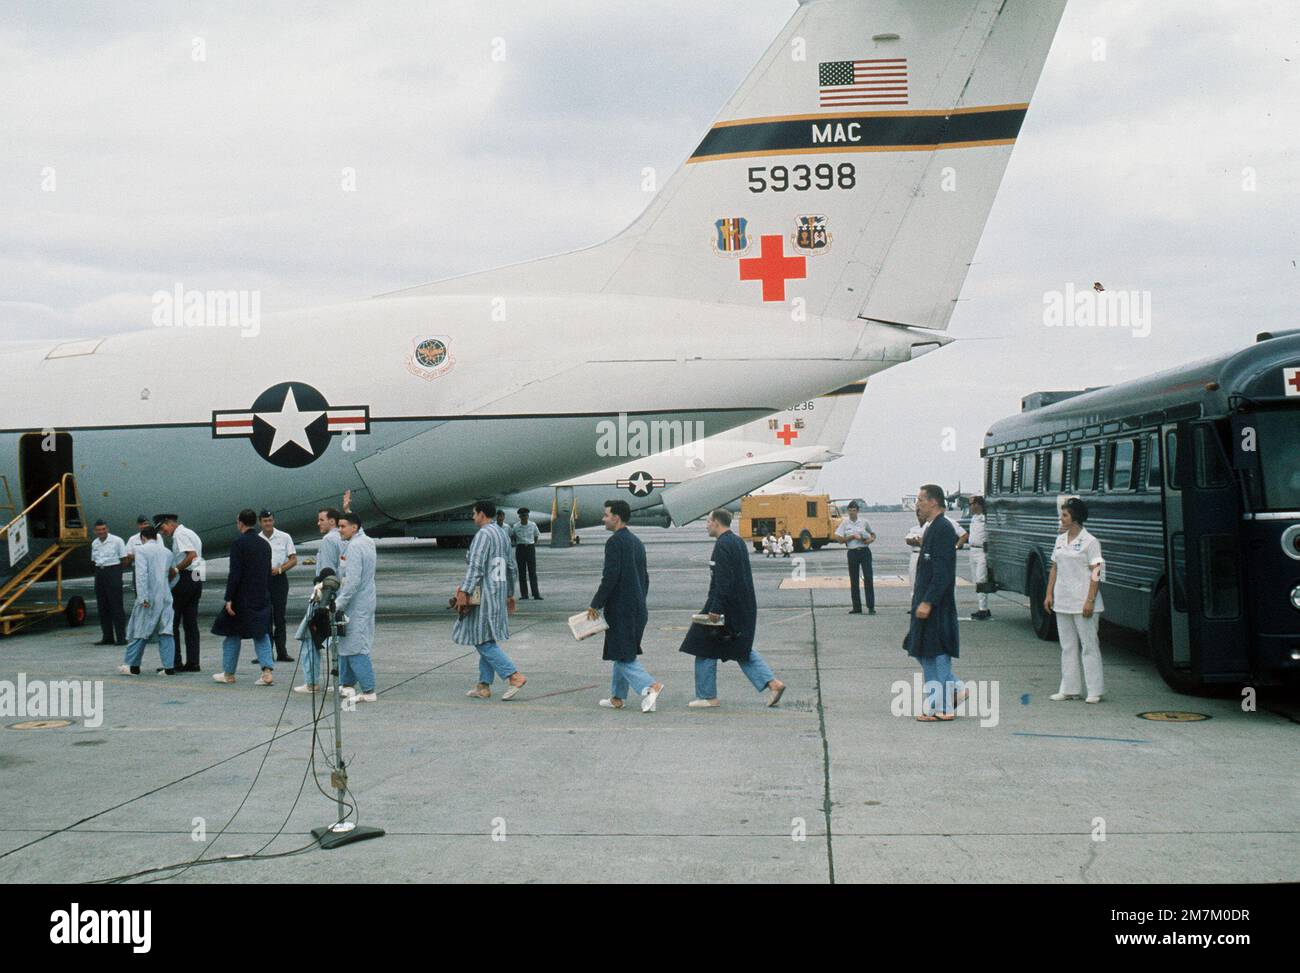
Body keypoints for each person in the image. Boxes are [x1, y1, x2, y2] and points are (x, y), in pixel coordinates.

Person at [680, 508, 785, 708]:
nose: (706, 525)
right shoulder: (736, 542)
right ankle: (773, 684)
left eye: (708, 521)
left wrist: (716, 608)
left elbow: (723, 580)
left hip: (724, 607)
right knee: (738, 648)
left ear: (717, 523)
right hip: (740, 606)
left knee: (702, 644)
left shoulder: (722, 545)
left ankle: (707, 697)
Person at [587, 499, 663, 712]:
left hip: (621, 610)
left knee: (621, 654)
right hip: (638, 608)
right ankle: (617, 697)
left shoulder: (614, 542)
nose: (603, 519)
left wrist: (596, 604)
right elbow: (645, 578)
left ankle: (650, 686)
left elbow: (610, 577)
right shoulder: (637, 542)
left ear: (616, 518)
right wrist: (638, 599)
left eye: (606, 515)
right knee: (623, 652)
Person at [456, 500, 526, 700]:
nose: (472, 517)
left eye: (474, 513)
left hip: (484, 594)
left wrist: (464, 591)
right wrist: (510, 593)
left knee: (480, 639)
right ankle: (483, 685)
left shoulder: (483, 535)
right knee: (487, 637)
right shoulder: (503, 534)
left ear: (481, 514)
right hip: (498, 592)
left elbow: (476, 567)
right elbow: (511, 566)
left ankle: (513, 676)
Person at [904, 484, 961, 721]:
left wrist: (928, 601)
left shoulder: (944, 529)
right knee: (922, 651)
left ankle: (943, 708)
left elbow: (943, 572)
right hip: (925, 602)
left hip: (936, 606)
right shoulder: (932, 528)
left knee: (937, 654)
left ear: (933, 502)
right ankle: (951, 693)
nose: (917, 504)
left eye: (920, 500)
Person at [1045, 497, 1105, 703]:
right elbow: (1055, 567)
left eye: (1065, 515)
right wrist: (1049, 593)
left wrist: (1090, 600)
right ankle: (1069, 689)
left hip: (1083, 602)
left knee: (1089, 646)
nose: (1061, 519)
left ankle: (1095, 690)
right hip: (1063, 601)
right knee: (1067, 646)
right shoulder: (1060, 540)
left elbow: (1096, 571)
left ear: (1075, 518)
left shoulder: (1090, 542)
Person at [211, 509, 275, 686]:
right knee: (261, 634)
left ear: (240, 523)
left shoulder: (238, 544)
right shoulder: (264, 544)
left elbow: (235, 573)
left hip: (242, 597)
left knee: (232, 634)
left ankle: (229, 672)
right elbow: (267, 573)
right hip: (261, 594)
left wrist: (229, 598)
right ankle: (267, 671)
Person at [295, 507, 344, 694]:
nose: (318, 523)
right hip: (338, 596)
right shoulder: (344, 538)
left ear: (332, 521)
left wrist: (320, 600)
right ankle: (341, 680)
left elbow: (327, 573)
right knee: (337, 639)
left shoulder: (328, 540)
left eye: (321, 519)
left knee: (309, 636)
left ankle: (312, 682)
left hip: (325, 595)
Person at [118, 525, 177, 676]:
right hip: (165, 596)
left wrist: (143, 597)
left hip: (149, 597)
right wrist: (167, 588)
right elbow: (174, 574)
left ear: (143, 538)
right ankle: (169, 667)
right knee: (166, 630)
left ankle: (132, 665)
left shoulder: (141, 551)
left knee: (140, 630)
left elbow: (141, 575)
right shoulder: (167, 552)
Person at [334, 511, 378, 702]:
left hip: (356, 602)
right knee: (346, 643)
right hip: (366, 600)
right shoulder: (367, 541)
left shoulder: (354, 547)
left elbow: (352, 581)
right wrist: (349, 510)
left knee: (355, 645)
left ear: (354, 528)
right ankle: (346, 684)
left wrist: (338, 604)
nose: (340, 530)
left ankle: (369, 691)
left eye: (343, 526)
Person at [157, 514, 204, 672]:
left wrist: (176, 569)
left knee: (173, 621)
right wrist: (197, 580)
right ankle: (193, 662)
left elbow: (192, 555)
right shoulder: (191, 533)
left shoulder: (180, 535)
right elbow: (199, 560)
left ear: (169, 523)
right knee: (191, 623)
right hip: (197, 576)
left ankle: (174, 662)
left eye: (162, 528)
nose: (163, 532)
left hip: (185, 578)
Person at [258, 509, 297, 662]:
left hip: (279, 579)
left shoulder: (284, 537)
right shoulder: (258, 539)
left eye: (270, 520)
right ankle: (266, 653)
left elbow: (293, 559)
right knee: (264, 617)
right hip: (262, 580)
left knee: (279, 617)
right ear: (260, 522)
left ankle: (282, 651)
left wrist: (280, 569)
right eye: (265, 521)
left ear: (273, 521)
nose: (268, 523)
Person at [90, 520, 127, 646]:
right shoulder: (95, 543)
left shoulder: (117, 541)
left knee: (116, 606)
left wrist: (117, 574)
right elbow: (94, 560)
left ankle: (121, 637)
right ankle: (107, 636)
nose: (101, 532)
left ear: (107, 529)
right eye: (98, 530)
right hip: (100, 572)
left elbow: (124, 559)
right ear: (95, 531)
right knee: (102, 606)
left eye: (103, 529)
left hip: (113, 571)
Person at [836, 501, 877, 614]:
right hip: (852, 552)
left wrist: (870, 539)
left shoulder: (864, 522)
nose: (852, 513)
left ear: (857, 511)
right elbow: (839, 539)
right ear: (847, 511)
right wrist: (851, 537)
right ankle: (856, 607)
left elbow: (873, 534)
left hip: (864, 551)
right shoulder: (845, 523)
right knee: (854, 580)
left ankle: (871, 606)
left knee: (868, 578)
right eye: (850, 510)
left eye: (854, 510)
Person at [967, 497, 992, 620]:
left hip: (982, 551)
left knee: (981, 580)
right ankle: (981, 606)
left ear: (977, 504)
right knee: (975, 580)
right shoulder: (974, 518)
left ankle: (983, 609)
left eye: (971, 504)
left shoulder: (986, 518)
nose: (970, 506)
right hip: (972, 550)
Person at [511, 507, 543, 600]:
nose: (524, 517)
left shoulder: (532, 525)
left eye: (525, 515)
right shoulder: (516, 526)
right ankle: (524, 594)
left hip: (530, 547)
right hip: (520, 548)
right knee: (522, 572)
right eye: (522, 516)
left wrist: (532, 544)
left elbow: (536, 535)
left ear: (528, 516)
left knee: (532, 572)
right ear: (519, 517)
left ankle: (536, 594)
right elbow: (513, 537)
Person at [904, 508, 925, 592]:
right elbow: (908, 540)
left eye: (922, 515)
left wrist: (919, 541)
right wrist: (918, 541)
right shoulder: (913, 529)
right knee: (913, 578)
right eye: (918, 515)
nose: (920, 517)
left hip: (926, 554)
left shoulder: (930, 527)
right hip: (915, 554)